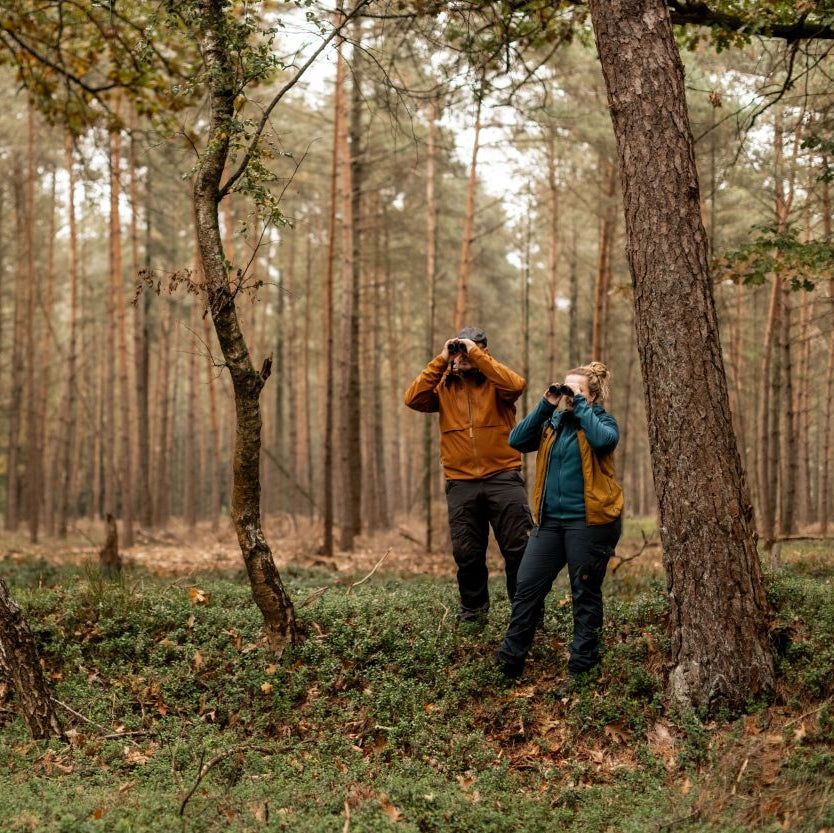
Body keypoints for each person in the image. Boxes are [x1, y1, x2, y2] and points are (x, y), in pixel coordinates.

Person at [495, 361, 623, 686]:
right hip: (550, 524)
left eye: (576, 390)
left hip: (589, 523)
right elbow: (517, 440)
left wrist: (581, 406)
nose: (567, 394)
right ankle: (509, 665)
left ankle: (582, 669)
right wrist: (545, 403)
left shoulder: (602, 421)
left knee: (584, 593)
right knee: (527, 587)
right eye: (565, 388)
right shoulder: (553, 423)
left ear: (592, 395)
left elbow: (603, 441)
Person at [404, 326, 534, 625]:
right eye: (459, 351)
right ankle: (473, 615)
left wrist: (477, 356)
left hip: (503, 477)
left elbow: (517, 385)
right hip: (460, 481)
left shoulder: (496, 383)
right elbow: (412, 398)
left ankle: (526, 614)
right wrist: (441, 358)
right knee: (467, 553)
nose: (462, 356)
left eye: (470, 350)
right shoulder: (443, 386)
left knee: (519, 549)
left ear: (482, 352)